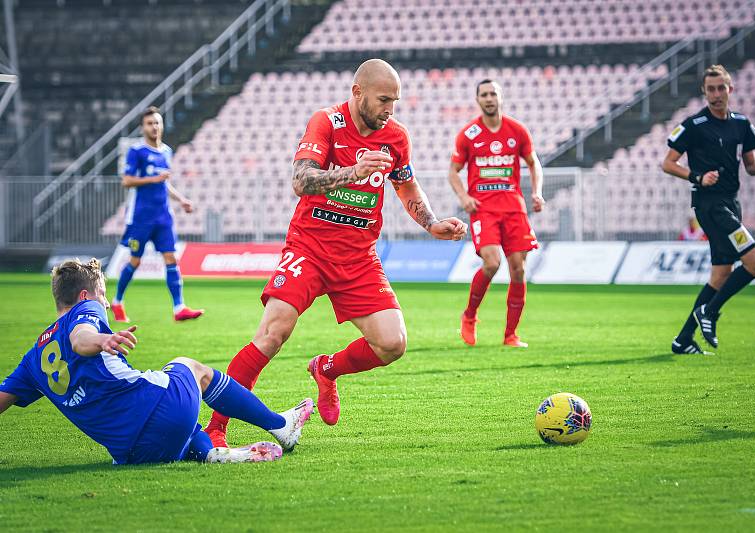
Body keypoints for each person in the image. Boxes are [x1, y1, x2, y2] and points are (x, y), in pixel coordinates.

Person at [204, 59, 467, 446]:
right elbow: (301, 180)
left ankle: (326, 369)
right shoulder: (326, 122)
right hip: (309, 248)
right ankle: (216, 428)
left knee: (393, 343)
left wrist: (431, 224)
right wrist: (353, 172)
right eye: (383, 100)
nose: (389, 109)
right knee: (273, 333)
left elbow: (406, 185)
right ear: (357, 92)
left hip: (359, 257)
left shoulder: (395, 136)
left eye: (395, 101)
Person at [0, 258, 313, 464]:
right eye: (102, 294)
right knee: (189, 367)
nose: (106, 302)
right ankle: (280, 425)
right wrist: (102, 340)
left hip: (135, 453)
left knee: (181, 418)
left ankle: (211, 454)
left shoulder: (33, 360)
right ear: (84, 296)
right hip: (158, 414)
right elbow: (80, 340)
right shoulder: (85, 312)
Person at [661, 64, 755, 352]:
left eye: (721, 88)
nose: (716, 94)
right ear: (704, 92)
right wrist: (697, 177)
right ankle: (710, 312)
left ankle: (683, 339)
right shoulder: (694, 125)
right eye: (710, 89)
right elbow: (668, 163)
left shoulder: (741, 124)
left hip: (731, 203)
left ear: (730, 89)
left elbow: (751, 166)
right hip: (710, 206)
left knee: (720, 275)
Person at [448, 79, 545, 348]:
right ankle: (469, 316)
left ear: (500, 97)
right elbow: (453, 172)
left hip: (514, 208)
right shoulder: (468, 134)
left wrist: (536, 192)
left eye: (493, 94)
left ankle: (510, 335)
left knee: (519, 269)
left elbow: (533, 163)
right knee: (492, 263)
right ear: (478, 100)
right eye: (484, 95)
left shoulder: (517, 130)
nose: (489, 98)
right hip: (484, 209)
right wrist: (464, 196)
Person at [111, 106, 204, 323]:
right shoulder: (137, 152)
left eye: (157, 122)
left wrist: (181, 200)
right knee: (135, 260)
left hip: (163, 216)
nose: (154, 127)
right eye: (149, 123)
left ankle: (179, 307)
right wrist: (152, 180)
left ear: (161, 125)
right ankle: (117, 301)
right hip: (141, 217)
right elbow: (126, 181)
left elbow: (165, 183)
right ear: (143, 127)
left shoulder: (166, 151)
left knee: (171, 258)